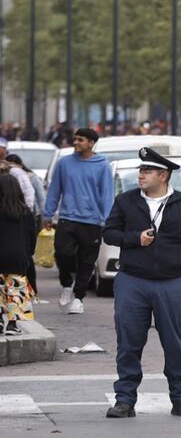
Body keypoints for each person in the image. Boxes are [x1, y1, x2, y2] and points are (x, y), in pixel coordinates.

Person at [102, 147, 181, 419]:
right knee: (128, 342)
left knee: (176, 343)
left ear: (163, 175)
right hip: (132, 281)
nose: (141, 175)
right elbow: (109, 233)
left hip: (173, 283)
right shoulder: (126, 201)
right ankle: (125, 400)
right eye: (140, 170)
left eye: (147, 171)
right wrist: (134, 238)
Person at [43, 127, 114, 316]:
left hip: (92, 221)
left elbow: (107, 195)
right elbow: (55, 189)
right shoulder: (64, 163)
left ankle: (78, 298)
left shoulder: (103, 165)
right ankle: (67, 284)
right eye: (74, 139)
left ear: (91, 143)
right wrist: (47, 214)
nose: (75, 143)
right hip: (67, 218)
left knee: (87, 261)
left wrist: (107, 220)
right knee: (62, 253)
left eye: (80, 140)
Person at [0, 174, 37, 335]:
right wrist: (28, 253)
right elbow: (32, 236)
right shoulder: (25, 212)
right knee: (15, 290)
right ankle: (13, 324)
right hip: (19, 257)